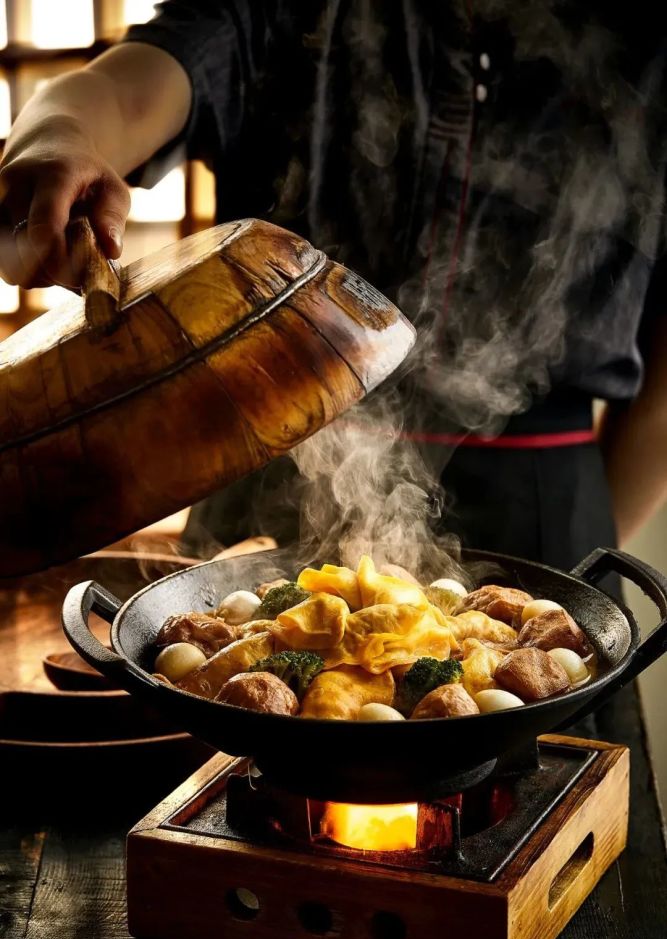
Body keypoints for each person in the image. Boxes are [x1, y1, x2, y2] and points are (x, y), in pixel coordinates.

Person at [1, 1, 665, 574]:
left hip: (544, 510)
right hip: (265, 462)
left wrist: (581, 542)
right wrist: (61, 137)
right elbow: (122, 90)